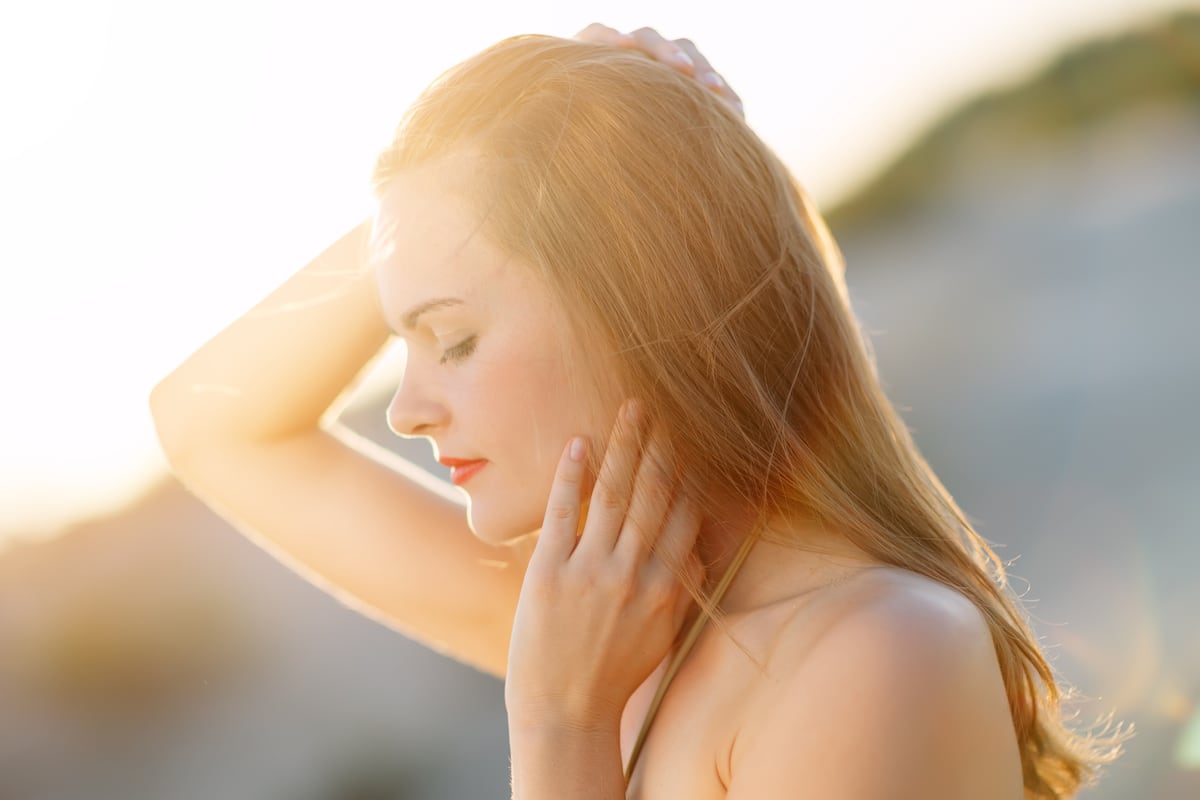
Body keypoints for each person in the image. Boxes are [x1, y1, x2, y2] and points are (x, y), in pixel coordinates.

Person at [150, 23, 1123, 799]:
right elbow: (210, 420)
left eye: (451, 339)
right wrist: (450, 191)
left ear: (641, 303)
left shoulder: (875, 655)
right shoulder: (632, 624)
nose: (406, 409)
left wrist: (561, 733)